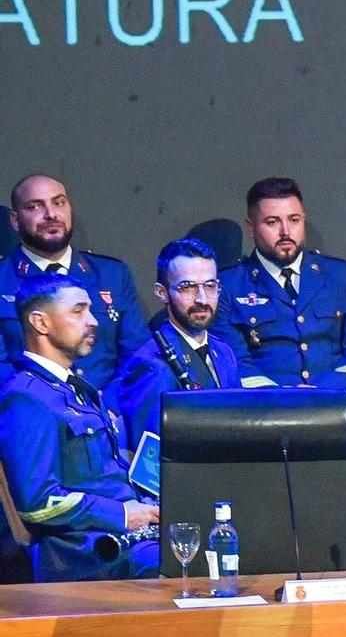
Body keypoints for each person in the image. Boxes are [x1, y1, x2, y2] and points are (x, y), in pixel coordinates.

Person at [0, 271, 160, 580]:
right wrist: (124, 514)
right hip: (84, 553)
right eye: (78, 310)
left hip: (124, 538)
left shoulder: (77, 389)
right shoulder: (27, 398)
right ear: (40, 323)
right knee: (193, 565)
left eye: (90, 309)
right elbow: (38, 502)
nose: (93, 321)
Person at [215, 177, 346, 395]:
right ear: (251, 227)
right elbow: (235, 364)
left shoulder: (339, 275)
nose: (286, 232)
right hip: (264, 413)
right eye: (272, 222)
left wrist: (317, 394)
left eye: (294, 220)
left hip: (335, 408)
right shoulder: (229, 286)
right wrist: (288, 401)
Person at [0, 174, 147, 389]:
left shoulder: (111, 274)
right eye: (35, 207)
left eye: (59, 202)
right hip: (35, 411)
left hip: (108, 413)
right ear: (15, 220)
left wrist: (108, 408)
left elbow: (137, 355)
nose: (51, 214)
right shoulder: (4, 278)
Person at [115, 238, 242, 449]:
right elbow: (149, 461)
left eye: (210, 286)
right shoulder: (152, 365)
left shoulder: (224, 352)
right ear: (161, 292)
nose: (202, 299)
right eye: (187, 287)